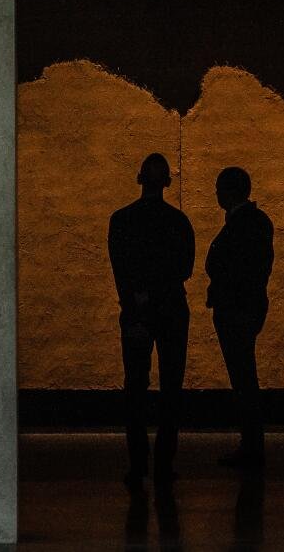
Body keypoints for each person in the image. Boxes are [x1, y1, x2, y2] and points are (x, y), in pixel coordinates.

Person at [107, 153, 195, 487]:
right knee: (171, 387)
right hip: (171, 309)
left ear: (140, 178)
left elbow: (120, 269)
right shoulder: (179, 222)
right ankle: (164, 463)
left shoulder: (121, 220)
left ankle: (138, 463)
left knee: (135, 388)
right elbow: (184, 268)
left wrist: (138, 298)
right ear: (167, 183)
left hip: (136, 311)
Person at [206, 167, 273, 469]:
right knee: (245, 377)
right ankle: (251, 444)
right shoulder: (257, 222)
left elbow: (232, 266)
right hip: (246, 307)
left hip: (236, 309)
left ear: (229, 192)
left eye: (219, 189)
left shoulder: (242, 224)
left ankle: (251, 446)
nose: (216, 195)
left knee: (243, 379)